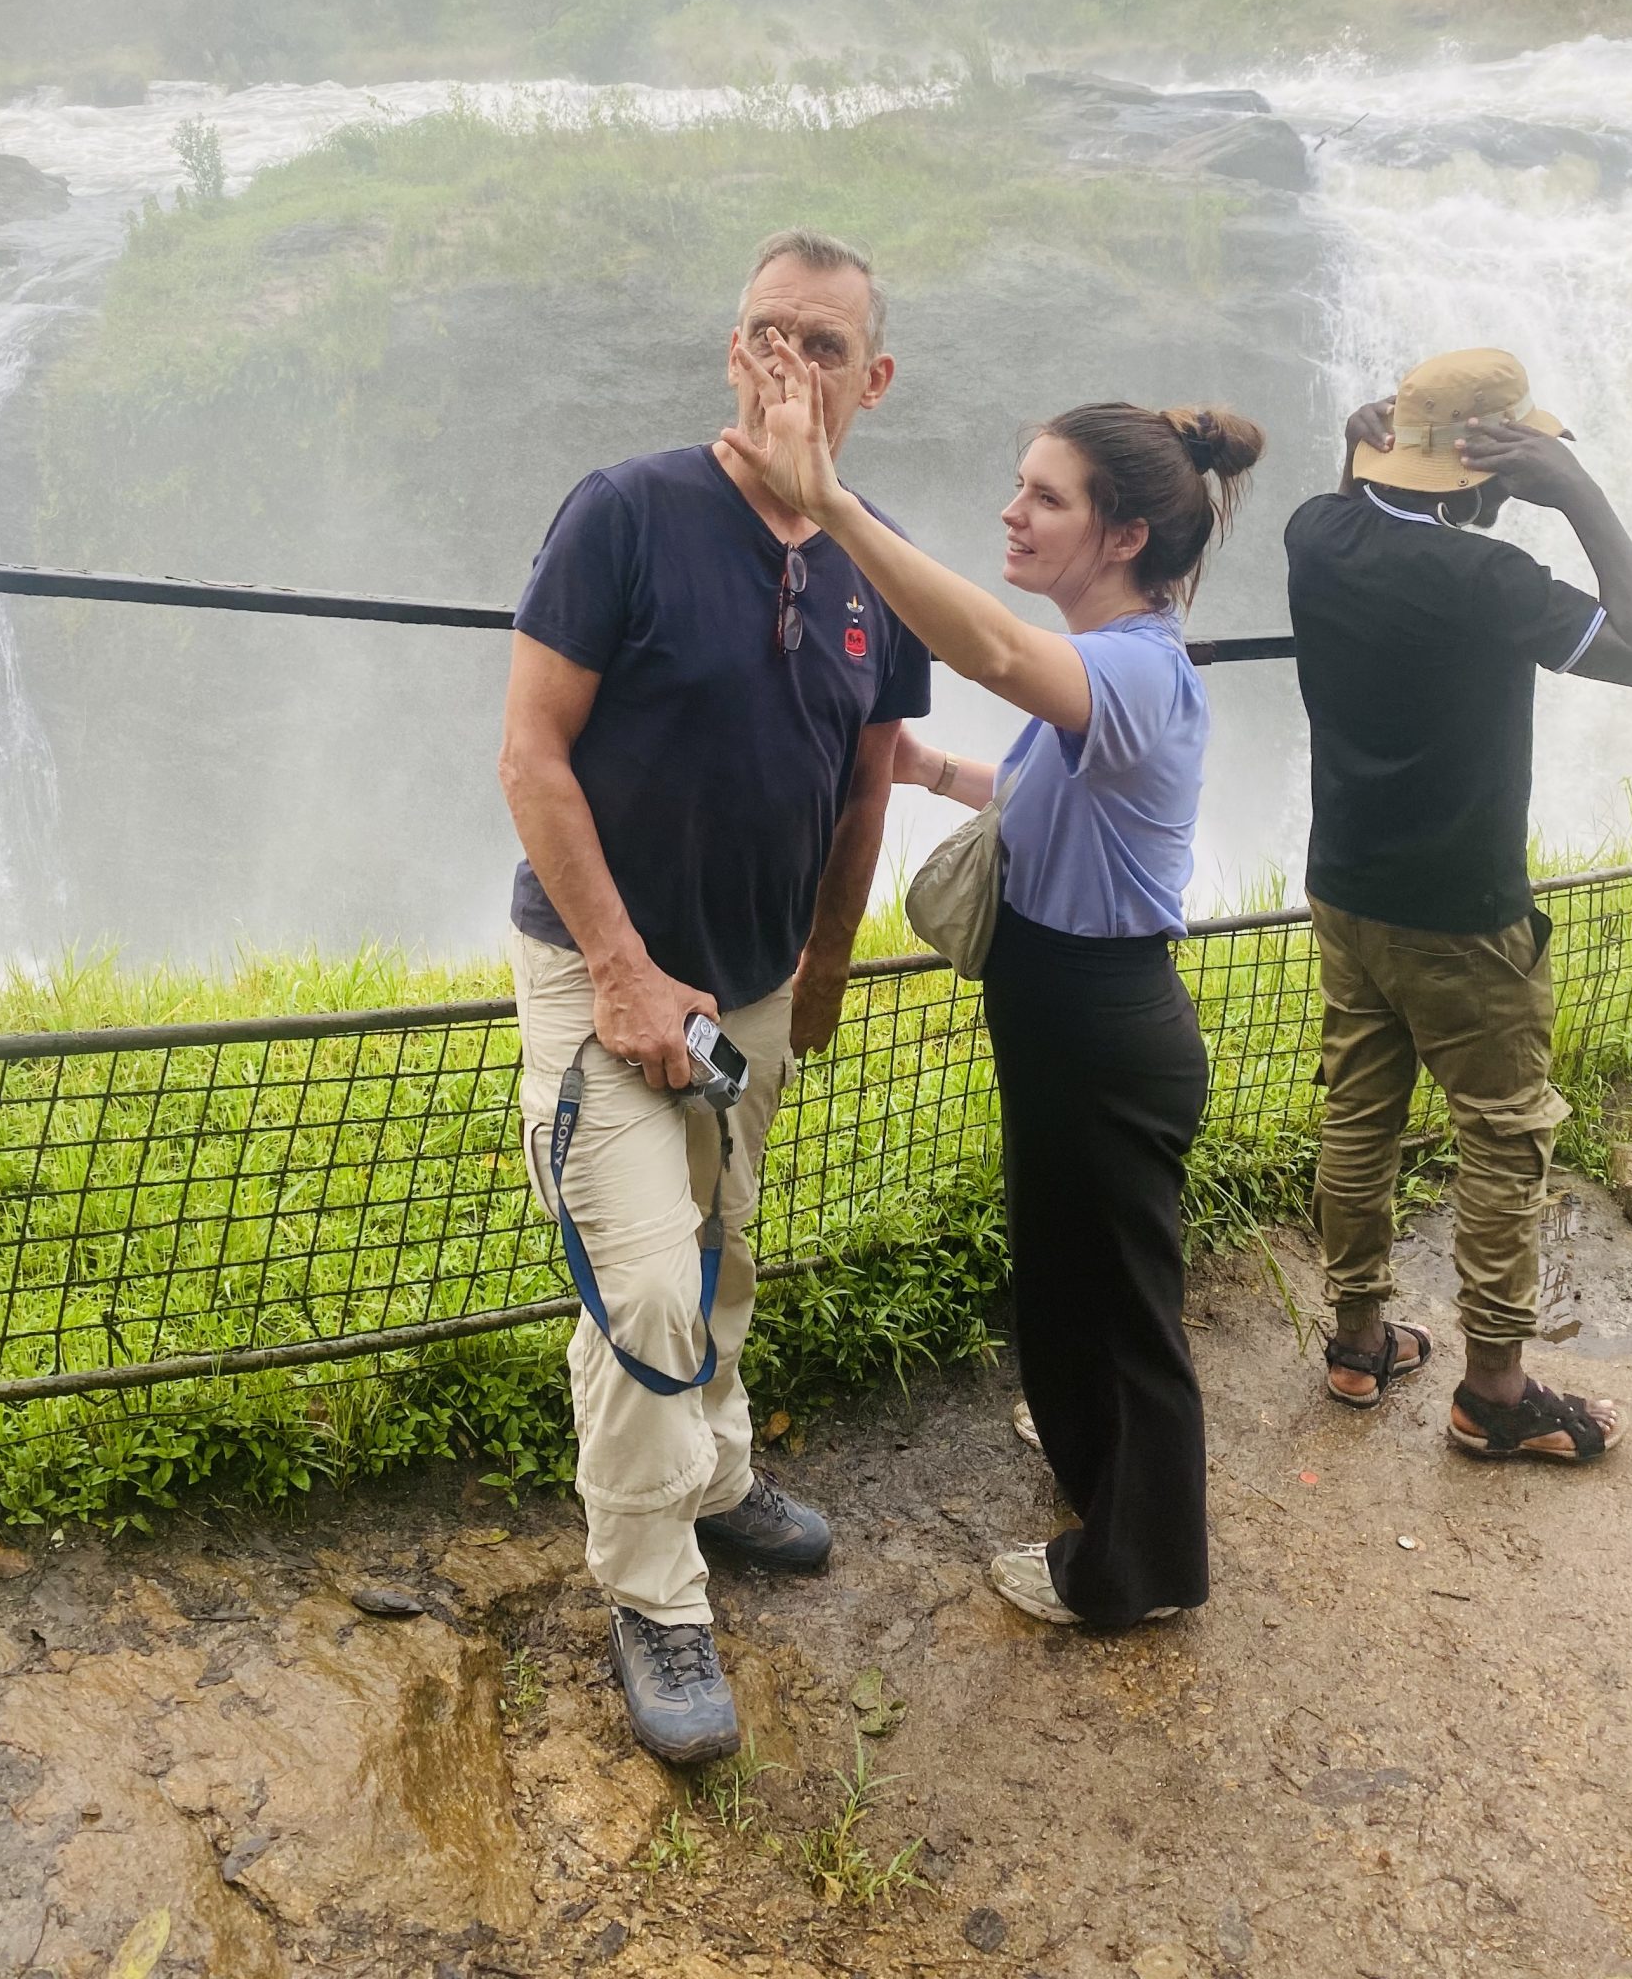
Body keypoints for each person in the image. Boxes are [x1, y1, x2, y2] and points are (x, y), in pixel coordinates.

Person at [723, 333, 1263, 1631]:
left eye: (1047, 498)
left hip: (1105, 1025)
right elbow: (1048, 795)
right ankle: (1093, 1470)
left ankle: (1135, 1576)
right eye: (1019, 487)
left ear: (1124, 535)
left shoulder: (1130, 666)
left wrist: (834, 506)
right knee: (1066, 1275)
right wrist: (930, 776)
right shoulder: (1105, 659)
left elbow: (997, 659)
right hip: (1063, 1017)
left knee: (1129, 1312)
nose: (1012, 514)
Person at [497, 229, 930, 1765]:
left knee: (727, 1258)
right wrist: (617, 969)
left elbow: (865, 788)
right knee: (650, 1288)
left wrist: (823, 964)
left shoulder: (878, 557)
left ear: (873, 379)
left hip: (750, 992)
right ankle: (654, 1596)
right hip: (602, 978)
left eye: (821, 346)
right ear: (728, 350)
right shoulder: (627, 511)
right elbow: (531, 753)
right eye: (764, 334)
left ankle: (719, 1476)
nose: (786, 369)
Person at [1286, 349, 1632, 1464]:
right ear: (1482, 474)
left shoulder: (1314, 531)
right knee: (1504, 1137)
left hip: (1345, 892)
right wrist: (1580, 492)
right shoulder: (1490, 580)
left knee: (1360, 1112)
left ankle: (1359, 1343)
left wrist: (1367, 454)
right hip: (1463, 916)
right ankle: (1496, 1389)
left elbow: (1364, 508)